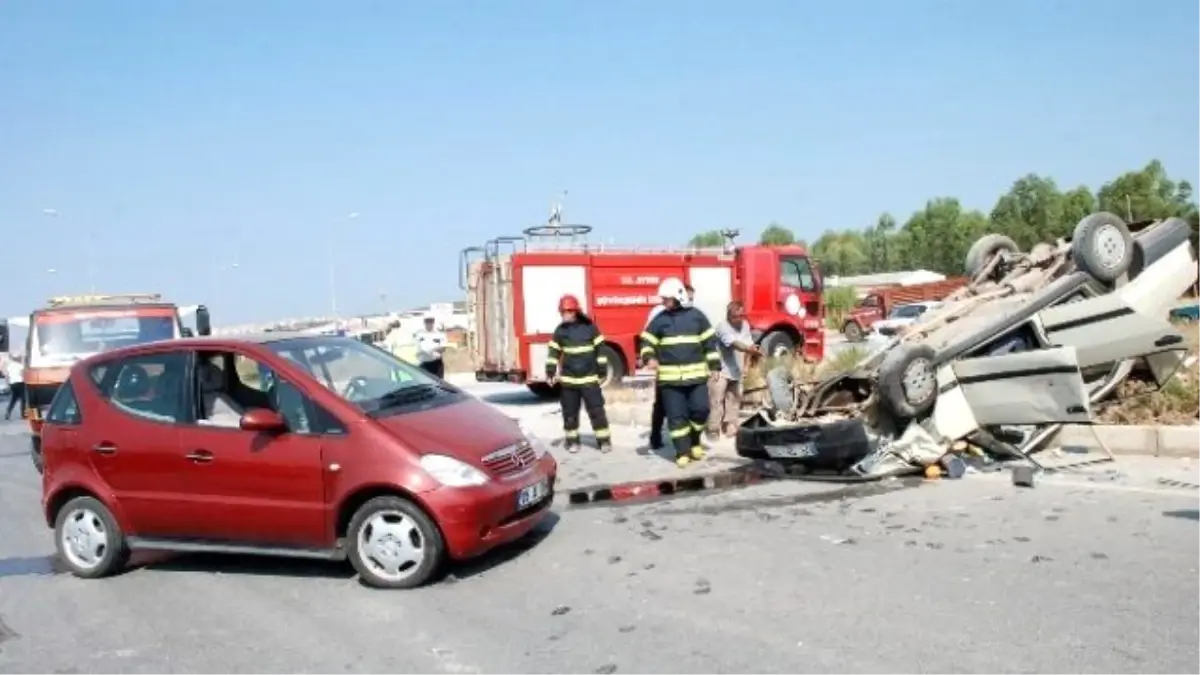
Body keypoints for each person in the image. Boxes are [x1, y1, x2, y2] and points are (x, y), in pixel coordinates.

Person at [640, 278, 721, 468]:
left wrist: (715, 366)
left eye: (666, 299)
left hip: (696, 378)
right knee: (677, 417)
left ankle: (694, 440)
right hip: (670, 381)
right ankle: (682, 451)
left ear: (678, 296)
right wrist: (649, 358)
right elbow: (646, 342)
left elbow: (709, 343)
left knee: (701, 410)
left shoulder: (697, 317)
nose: (663, 302)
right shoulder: (659, 320)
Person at [545, 294, 612, 452]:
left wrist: (602, 370)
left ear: (574, 311)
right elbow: (553, 353)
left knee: (597, 412)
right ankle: (572, 442)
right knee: (569, 414)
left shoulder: (590, 328)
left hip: (589, 379)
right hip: (569, 381)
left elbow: (601, 349)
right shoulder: (560, 331)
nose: (564, 315)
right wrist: (550, 372)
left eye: (566, 312)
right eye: (562, 312)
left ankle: (604, 441)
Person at [645, 282, 697, 449]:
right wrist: (652, 358)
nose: (689, 302)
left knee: (691, 403)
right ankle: (655, 436)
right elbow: (648, 338)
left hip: (690, 368)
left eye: (692, 299)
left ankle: (690, 439)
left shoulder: (693, 313)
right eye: (688, 298)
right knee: (661, 403)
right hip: (667, 367)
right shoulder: (658, 314)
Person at [707, 301, 762, 439]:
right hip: (720, 370)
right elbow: (735, 344)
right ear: (729, 315)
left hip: (735, 370)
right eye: (735, 316)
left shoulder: (745, 326)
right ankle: (713, 428)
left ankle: (729, 425)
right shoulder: (722, 327)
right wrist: (749, 349)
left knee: (733, 400)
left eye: (741, 315)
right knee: (716, 401)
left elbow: (749, 345)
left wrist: (746, 365)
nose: (739, 319)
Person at [413, 314, 448, 378]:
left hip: (436, 364)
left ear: (433, 322)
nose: (429, 323)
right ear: (424, 322)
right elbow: (416, 346)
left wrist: (434, 350)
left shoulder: (439, 334)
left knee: (438, 384)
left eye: (431, 321)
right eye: (427, 321)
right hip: (424, 363)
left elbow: (443, 348)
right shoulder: (419, 334)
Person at [4, 354, 25, 420]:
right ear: (18, 359)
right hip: (20, 383)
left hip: (12, 383)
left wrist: (7, 384)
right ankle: (23, 414)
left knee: (13, 399)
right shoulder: (20, 366)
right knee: (23, 399)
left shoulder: (9, 366)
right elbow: (22, 375)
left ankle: (8, 411)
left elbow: (7, 376)